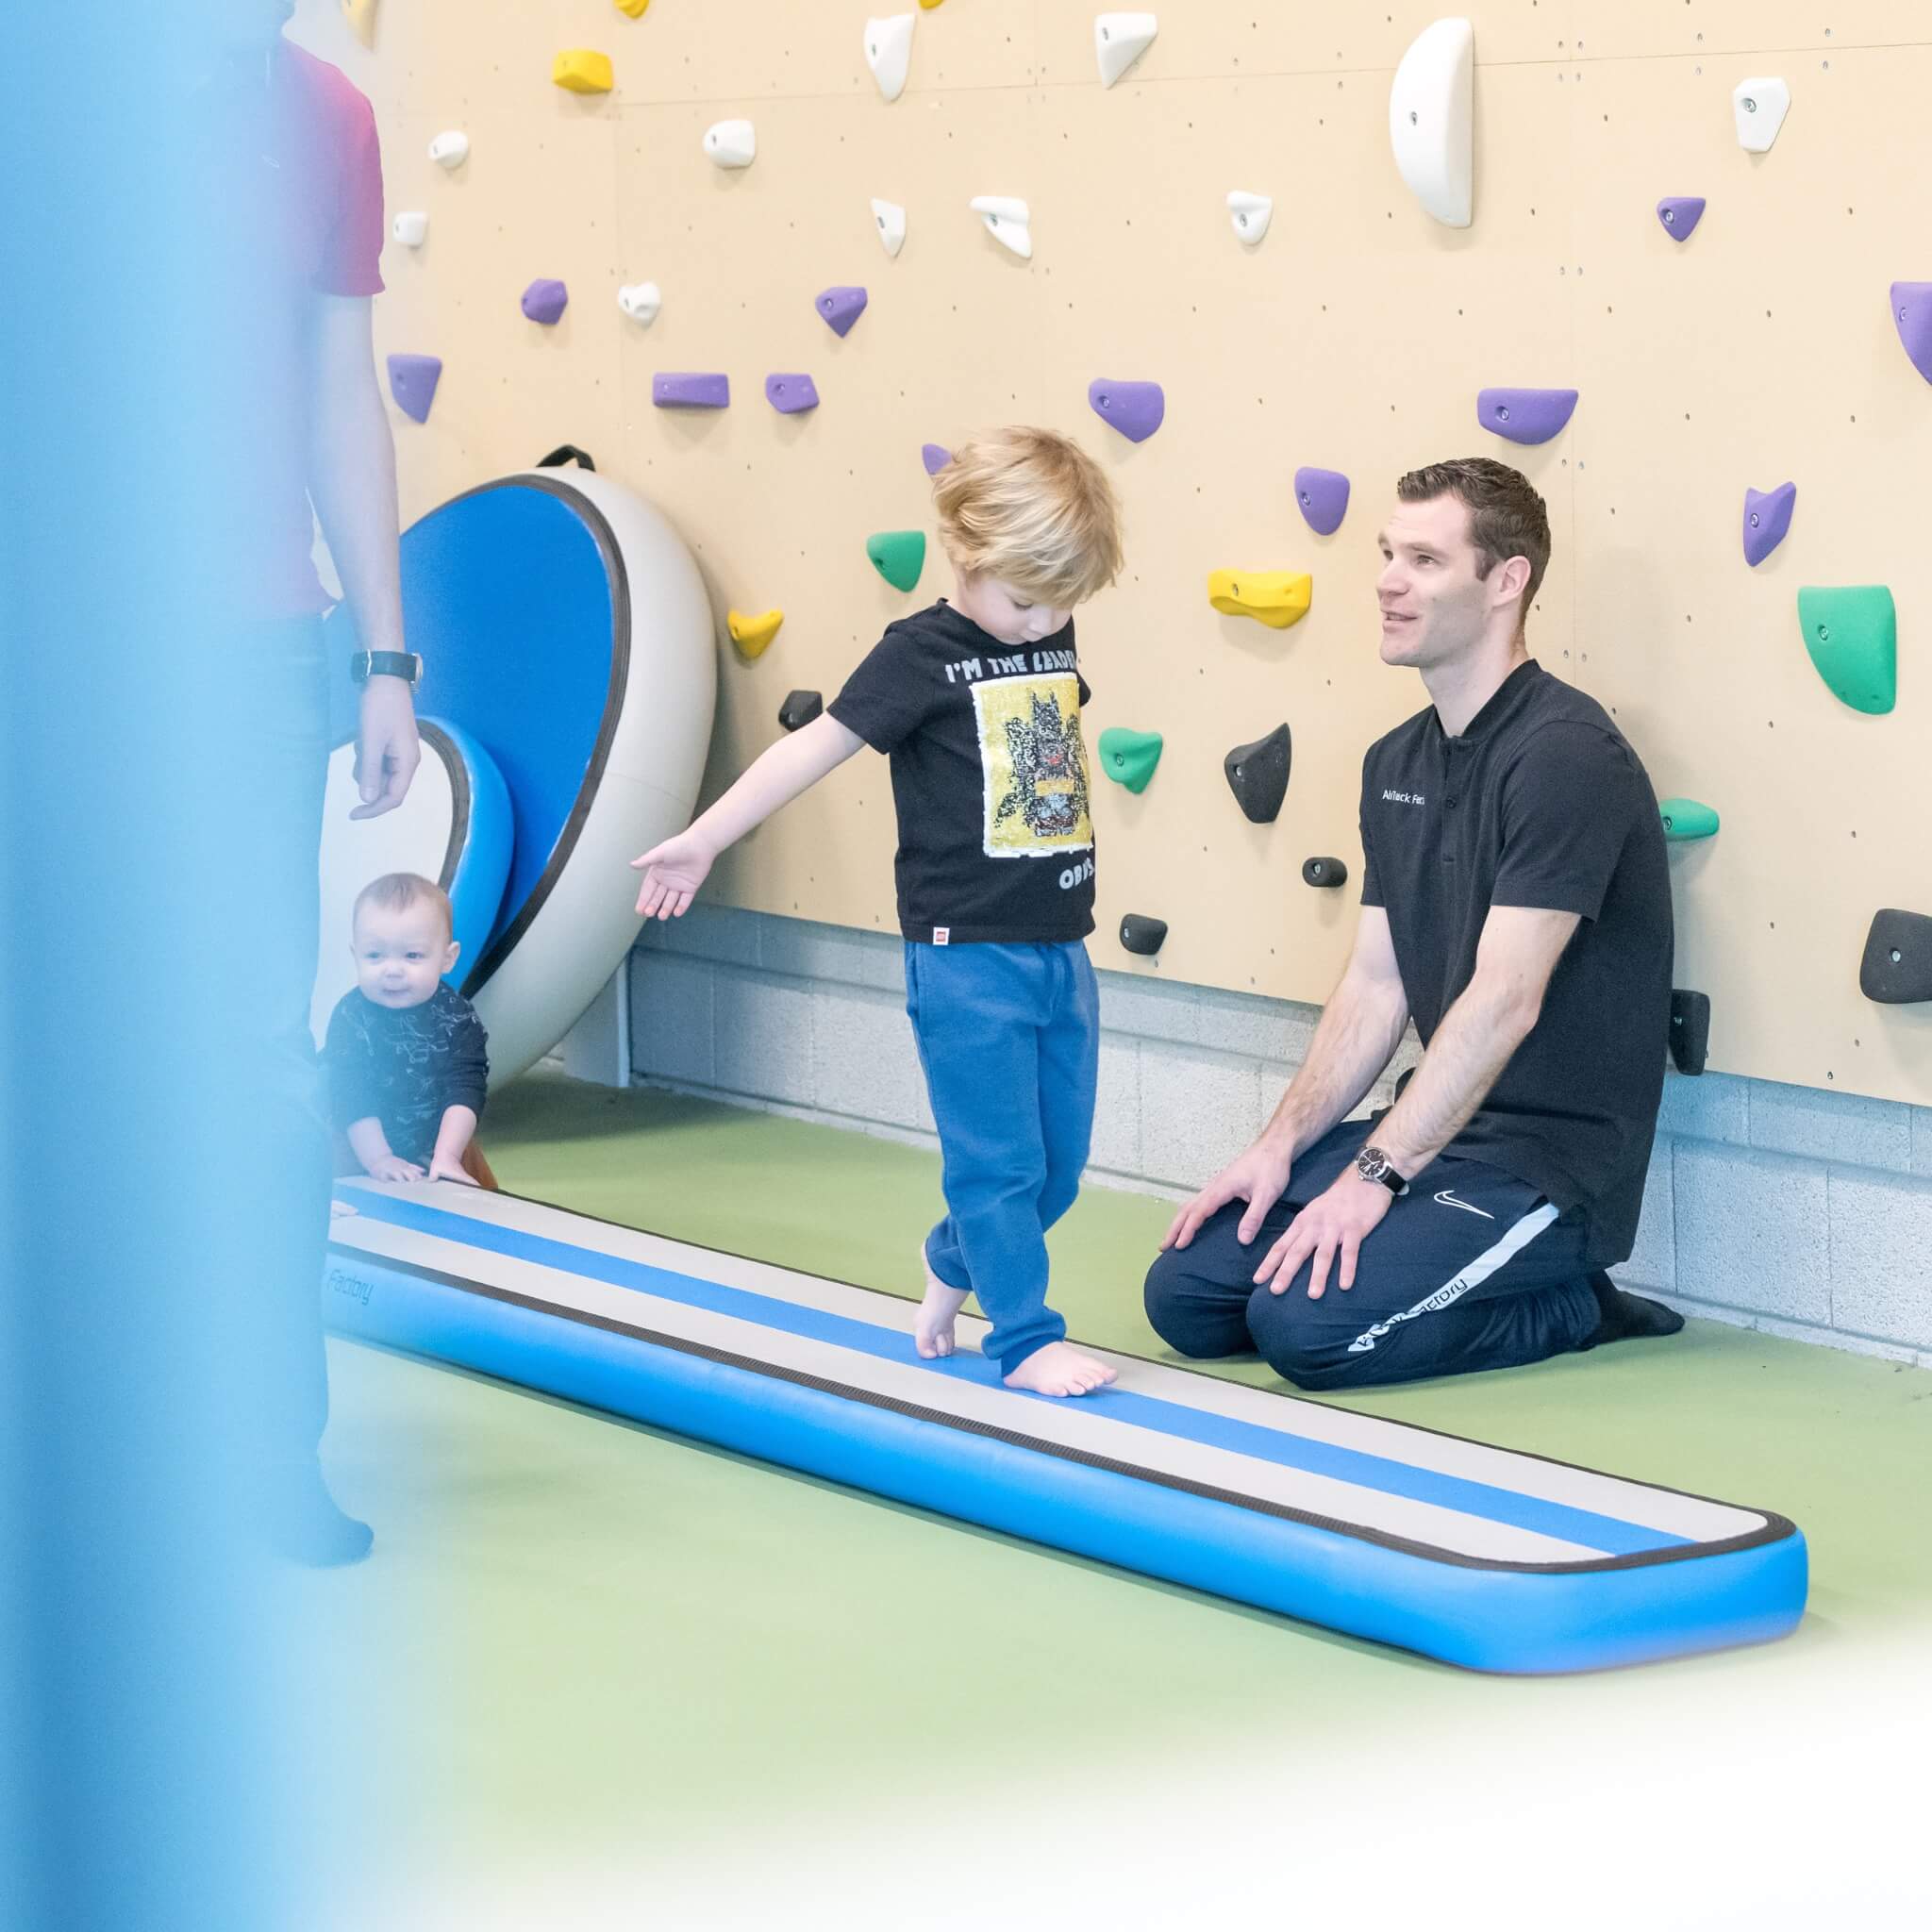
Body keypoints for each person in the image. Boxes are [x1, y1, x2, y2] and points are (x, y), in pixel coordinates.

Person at [1144, 458, 1685, 1391]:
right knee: (1187, 1296)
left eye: (1425, 561)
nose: (1388, 581)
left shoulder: (1565, 756)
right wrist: (1277, 1147)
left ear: (1505, 581)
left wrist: (1374, 1176)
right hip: (1439, 1127)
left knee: (1304, 1332)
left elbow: (1505, 998)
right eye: (1388, 554)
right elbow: (1374, 984)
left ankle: (1575, 1304)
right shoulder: (1393, 761)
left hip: (1549, 1165)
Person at [632, 427, 1124, 1397]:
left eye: (1060, 602)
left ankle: (951, 1258)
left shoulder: (1042, 625)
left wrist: (1041, 613)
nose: (1042, 622)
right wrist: (705, 836)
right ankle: (1024, 1340)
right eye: (1024, 599)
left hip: (1061, 945)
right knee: (998, 1166)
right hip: (964, 956)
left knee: (1057, 1170)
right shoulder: (918, 655)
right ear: (965, 554)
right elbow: (813, 747)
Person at [228, 5, 422, 1562]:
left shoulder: (325, 117)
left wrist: (385, 655)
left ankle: (260, 1452)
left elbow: (338, 389)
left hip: (246, 649)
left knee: (253, 1064)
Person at [324, 874, 494, 1188]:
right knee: (322, 1167)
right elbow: (350, 1094)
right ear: (355, 955)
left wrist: (448, 1154)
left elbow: (466, 1087)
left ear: (447, 959)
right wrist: (379, 1159)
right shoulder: (351, 1016)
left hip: (436, 1139)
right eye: (374, 955)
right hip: (353, 1139)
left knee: (474, 1182)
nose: (392, 970)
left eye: (412, 955)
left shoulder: (457, 1017)